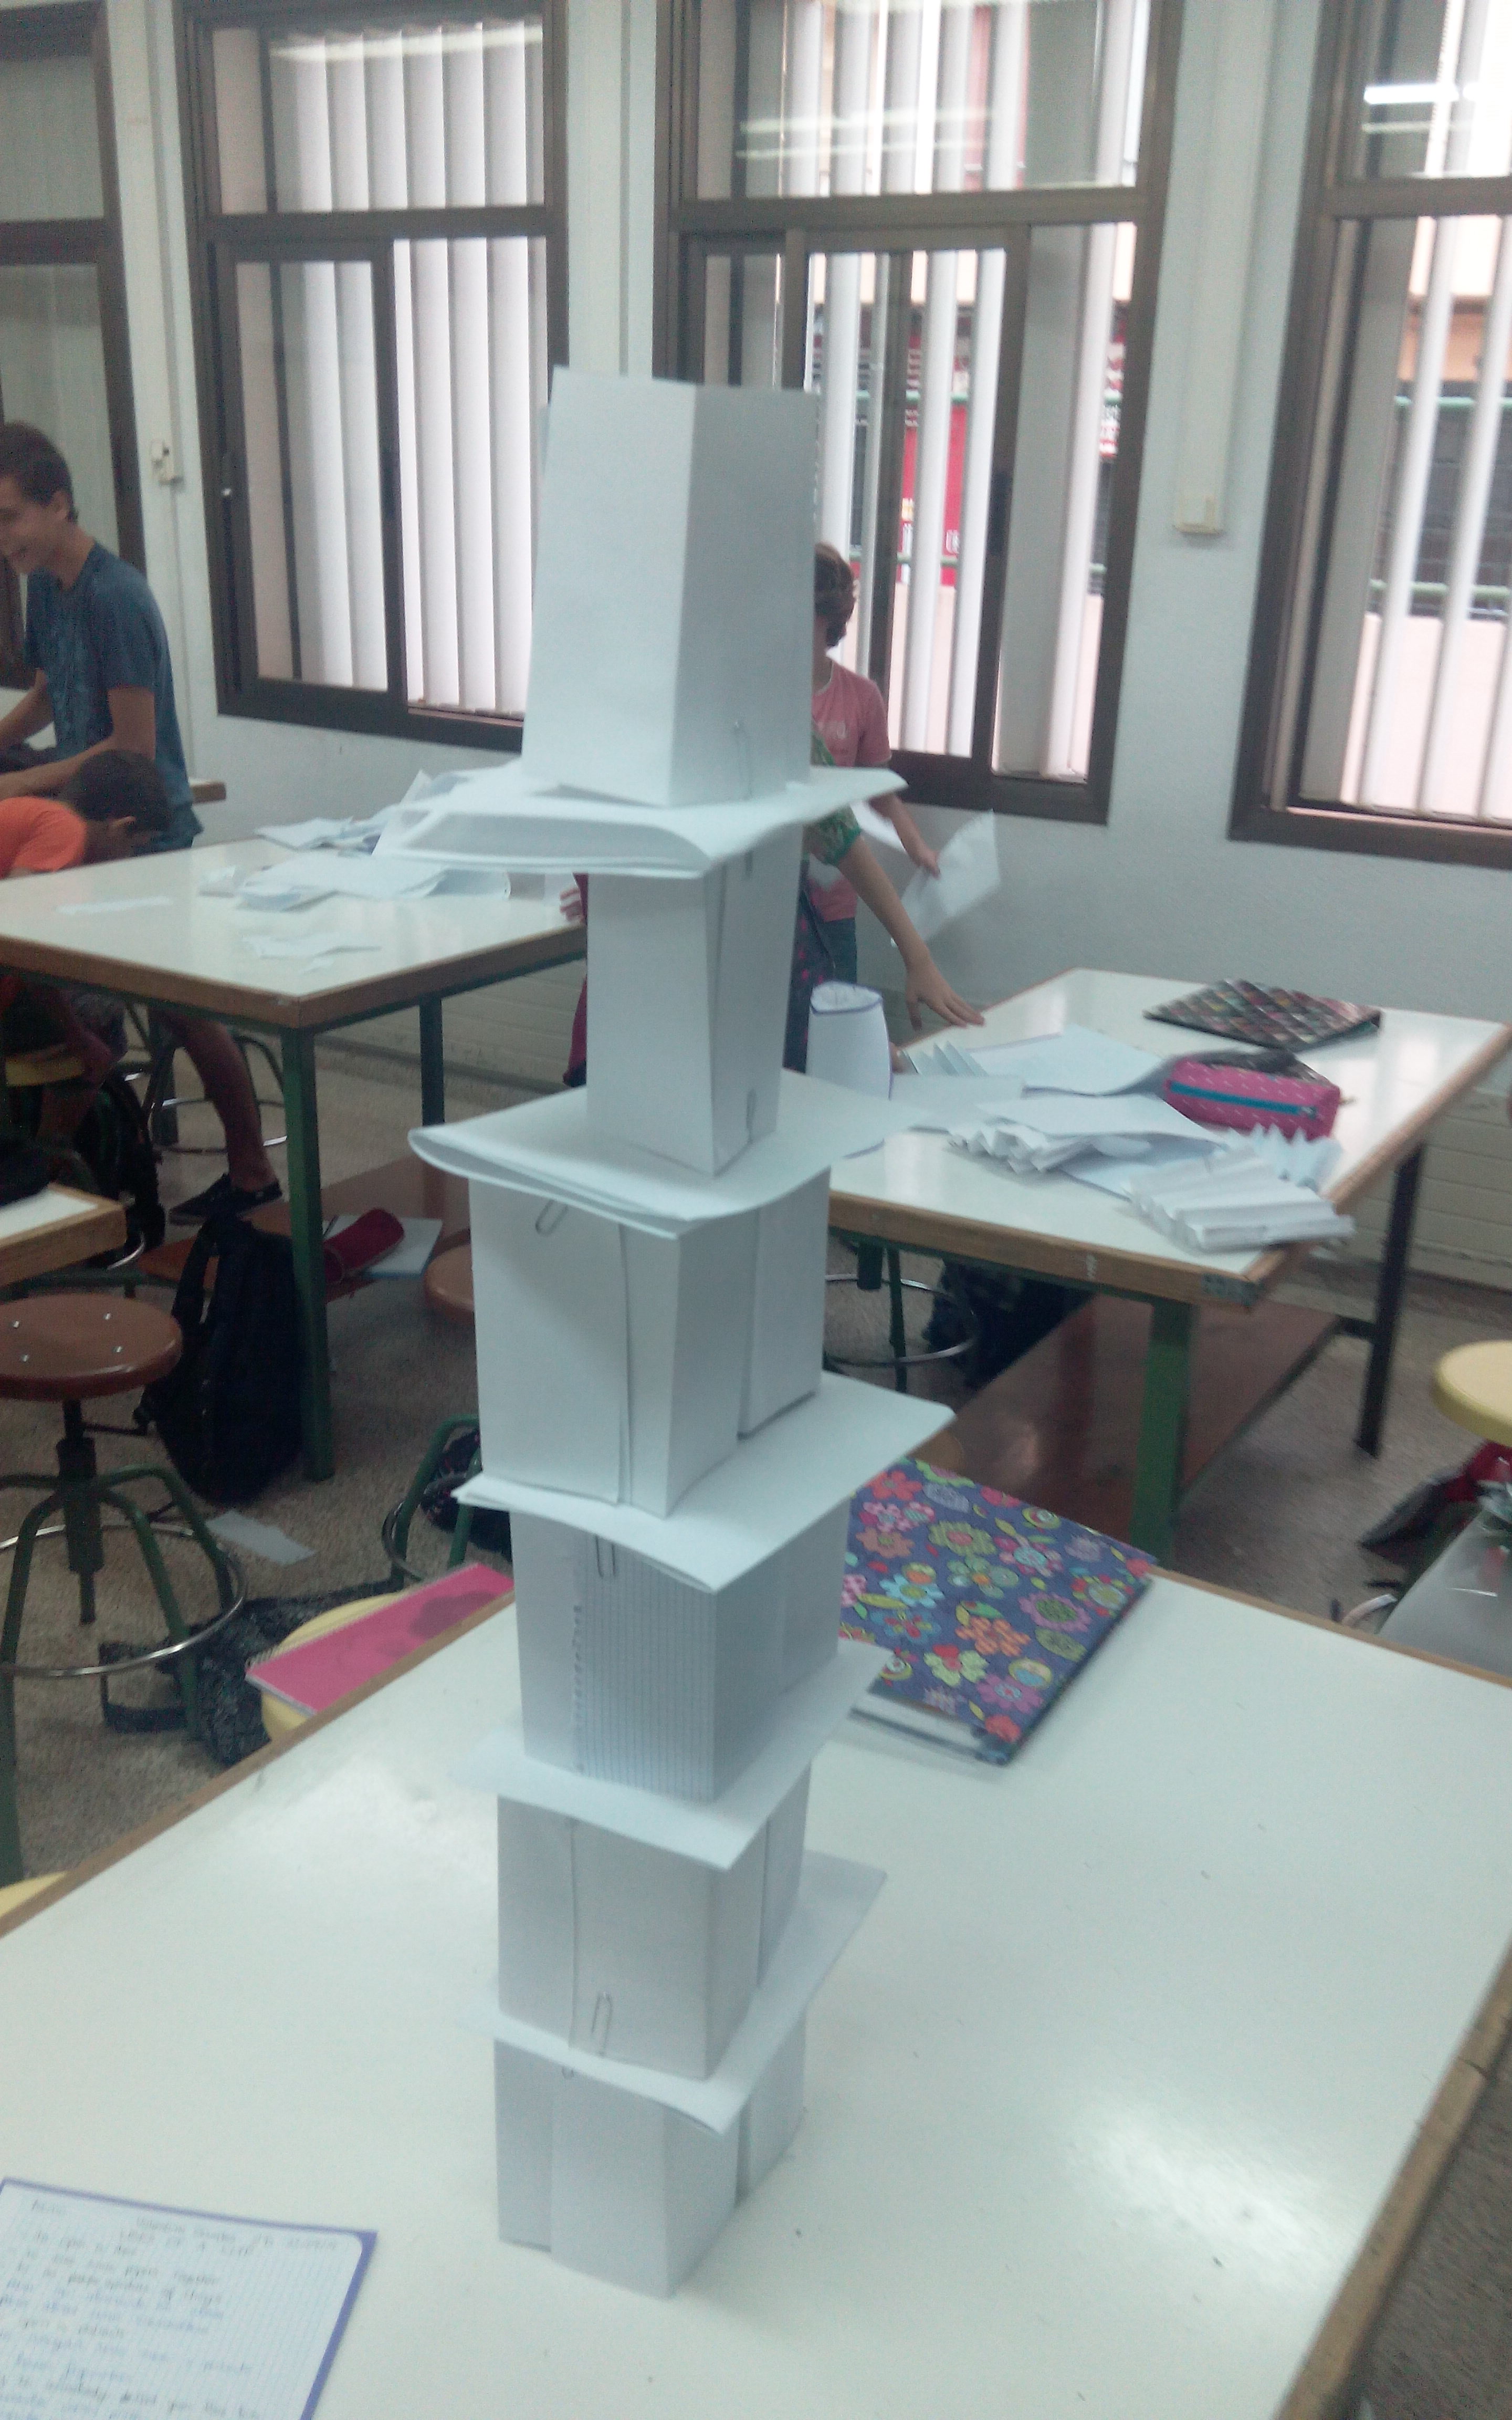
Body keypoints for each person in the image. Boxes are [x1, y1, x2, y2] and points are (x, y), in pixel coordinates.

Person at [0, 424, 280, 1219]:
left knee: (181, 1008)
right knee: (93, 995)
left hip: (141, 828)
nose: (3, 539)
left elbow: (130, 745)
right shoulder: (45, 588)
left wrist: (21, 784)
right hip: (83, 821)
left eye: (11, 517)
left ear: (59, 504)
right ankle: (85, 1171)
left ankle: (252, 1171)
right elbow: (50, 694)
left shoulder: (116, 596)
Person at [808, 542, 941, 986]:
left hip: (835, 896)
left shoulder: (861, 696)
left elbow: (879, 793)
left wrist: (917, 848)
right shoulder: (762, 696)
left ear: (825, 617)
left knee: (837, 1009)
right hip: (773, 894)